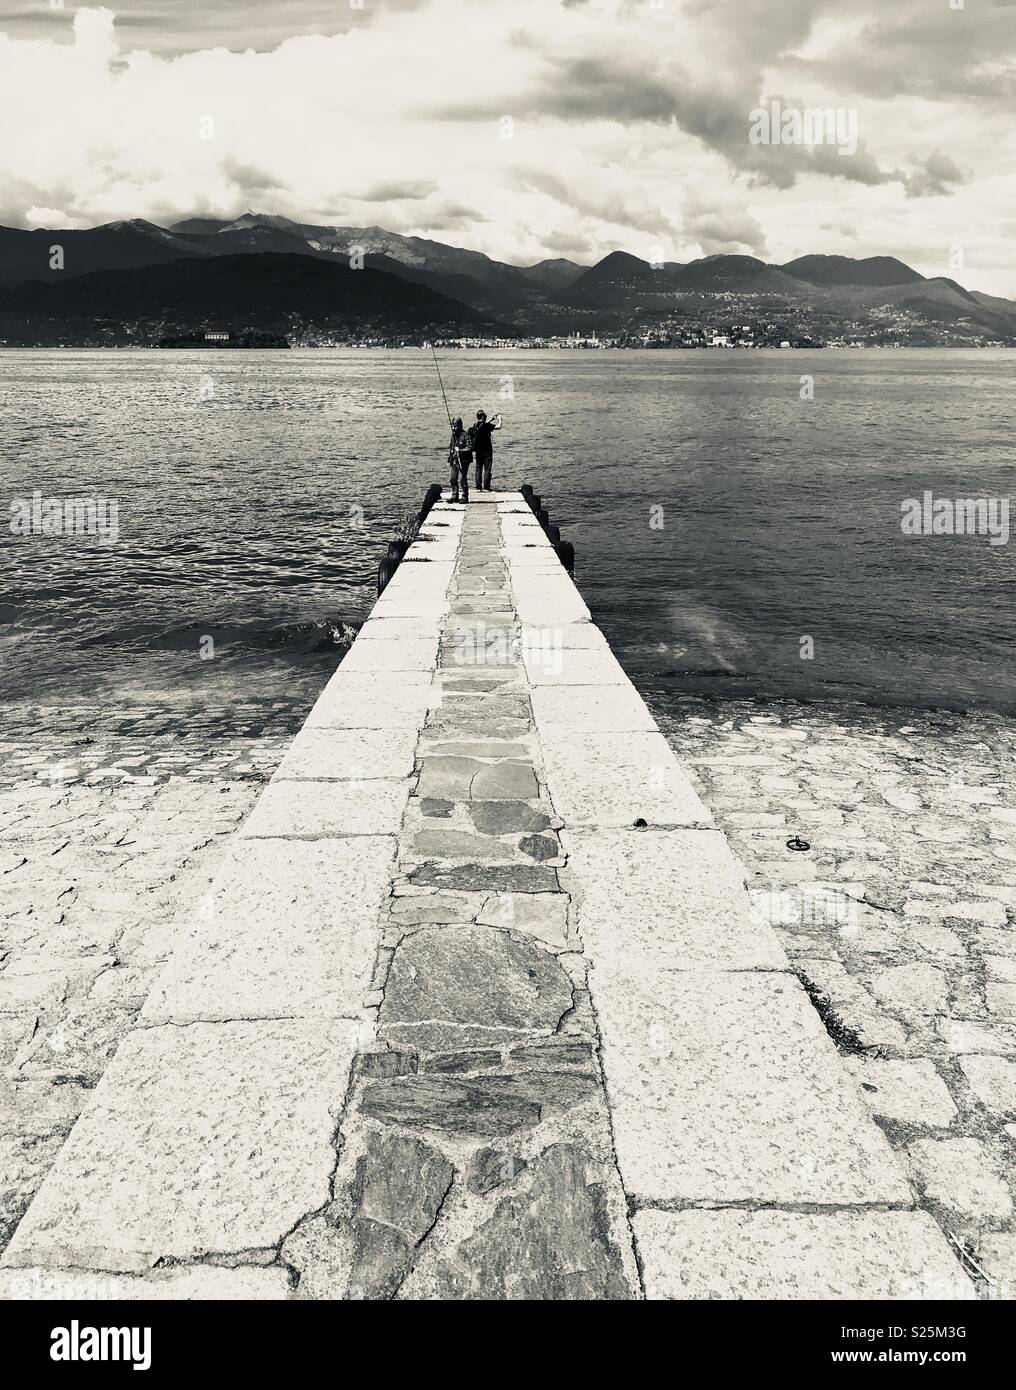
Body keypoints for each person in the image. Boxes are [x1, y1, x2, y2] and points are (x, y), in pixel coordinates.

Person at [471, 409, 502, 491]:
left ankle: (478, 487)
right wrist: (500, 419)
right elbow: (498, 427)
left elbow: (483, 424)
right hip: (487, 452)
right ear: (482, 417)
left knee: (478, 470)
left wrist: (491, 419)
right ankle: (486, 487)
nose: (485, 417)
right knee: (487, 470)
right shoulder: (486, 426)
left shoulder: (475, 425)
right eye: (485, 416)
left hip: (478, 452)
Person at [448, 416, 472, 502]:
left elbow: (470, 448)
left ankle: (465, 496)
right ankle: (455, 495)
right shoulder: (453, 435)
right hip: (454, 460)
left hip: (463, 461)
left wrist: (461, 450)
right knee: (453, 478)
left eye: (455, 426)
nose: (454, 428)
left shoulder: (466, 435)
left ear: (460, 425)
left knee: (462, 479)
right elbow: (451, 446)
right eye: (453, 426)